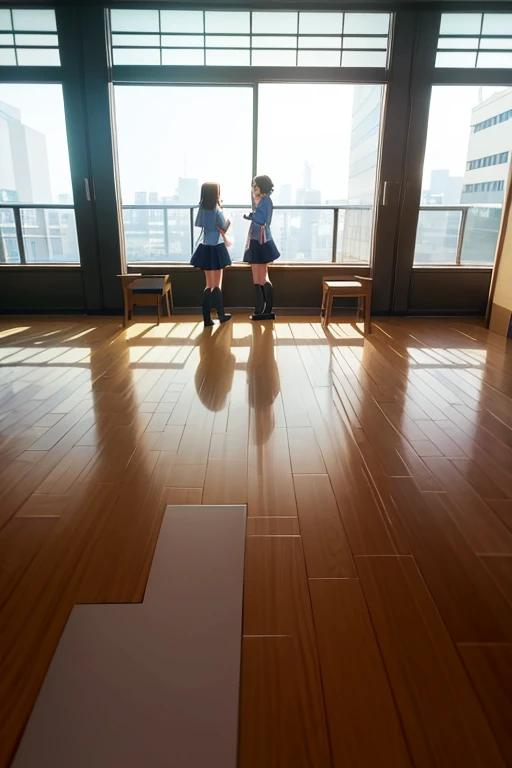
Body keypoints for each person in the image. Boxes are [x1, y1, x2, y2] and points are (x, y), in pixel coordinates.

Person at [191, 182, 232, 327]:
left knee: (208, 285)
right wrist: (229, 222)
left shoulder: (202, 209)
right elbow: (223, 227)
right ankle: (221, 315)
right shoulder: (217, 210)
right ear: (216, 194)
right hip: (217, 248)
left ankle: (206, 319)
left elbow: (200, 224)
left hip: (205, 247)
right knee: (216, 285)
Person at [243, 175, 280, 321]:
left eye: (256, 186)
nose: (254, 188)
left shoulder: (266, 201)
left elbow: (262, 219)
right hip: (256, 241)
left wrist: (251, 215)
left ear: (262, 187)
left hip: (261, 241)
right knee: (257, 278)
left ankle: (267, 309)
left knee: (262, 277)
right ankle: (259, 309)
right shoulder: (263, 201)